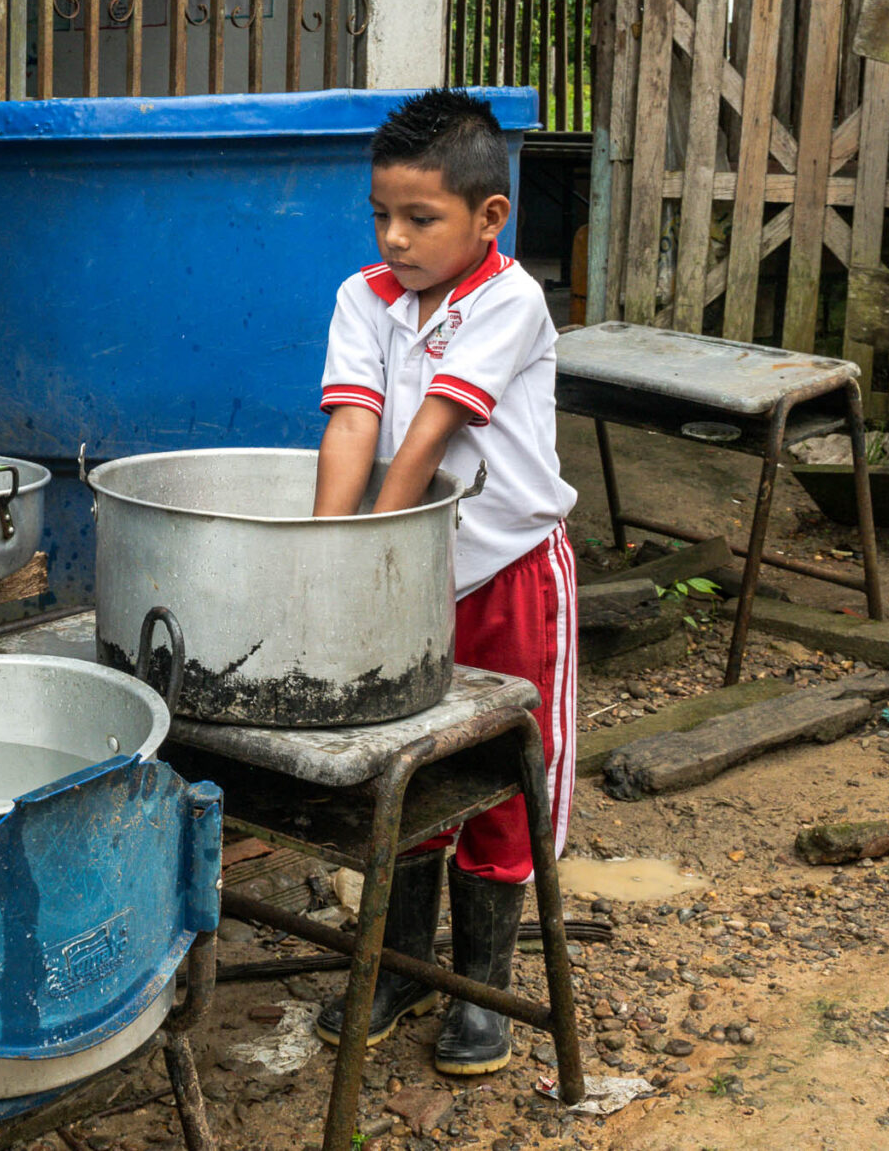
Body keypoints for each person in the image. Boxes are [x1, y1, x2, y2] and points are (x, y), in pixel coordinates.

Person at [308, 87, 578, 1076]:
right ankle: (403, 965)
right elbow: (353, 427)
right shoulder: (363, 297)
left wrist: (365, 553)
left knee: (506, 774)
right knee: (402, 765)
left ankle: (488, 983)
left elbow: (431, 431)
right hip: (410, 573)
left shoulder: (510, 300)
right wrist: (324, 554)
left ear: (488, 216)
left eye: (419, 219)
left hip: (506, 570)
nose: (395, 237)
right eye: (381, 214)